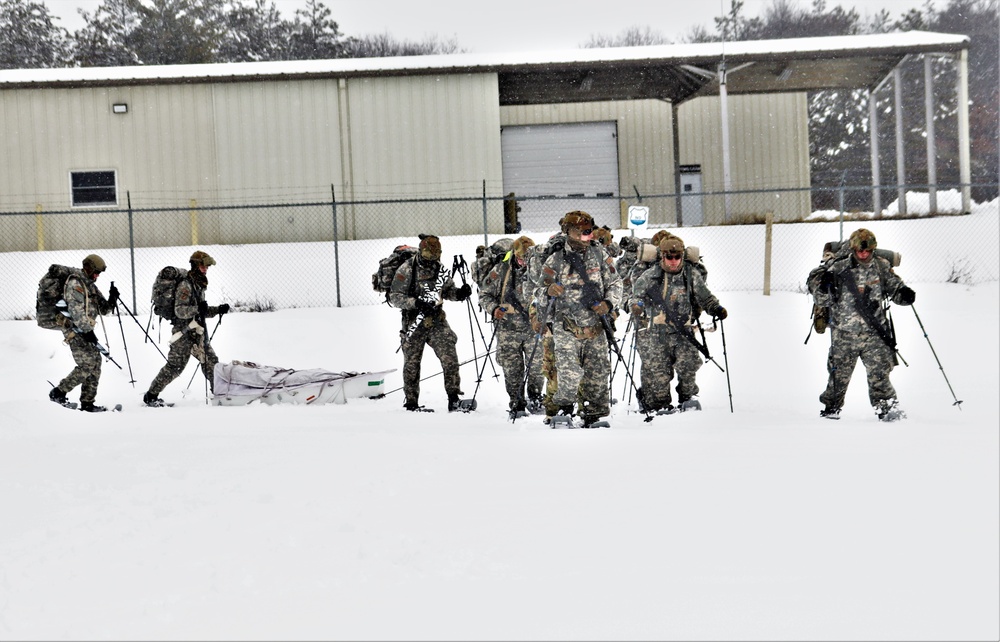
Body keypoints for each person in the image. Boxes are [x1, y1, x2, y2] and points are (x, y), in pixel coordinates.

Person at [807, 228, 916, 421]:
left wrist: (904, 294)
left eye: (867, 251)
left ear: (873, 249)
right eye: (859, 251)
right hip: (844, 334)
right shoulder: (839, 268)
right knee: (837, 376)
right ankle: (831, 409)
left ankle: (887, 409)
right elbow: (821, 298)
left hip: (875, 333)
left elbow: (895, 289)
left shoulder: (881, 266)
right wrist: (824, 285)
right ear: (853, 249)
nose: (863, 255)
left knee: (880, 374)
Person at [538, 211, 623, 426]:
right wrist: (549, 290)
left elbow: (615, 283)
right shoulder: (555, 259)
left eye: (589, 230)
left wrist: (609, 303)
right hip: (567, 326)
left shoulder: (600, 254)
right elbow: (537, 292)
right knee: (568, 374)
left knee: (598, 373)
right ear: (568, 232)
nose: (587, 235)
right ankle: (563, 411)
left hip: (596, 326)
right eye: (582, 231)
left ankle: (593, 415)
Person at [630, 236, 726, 412]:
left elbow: (705, 297)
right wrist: (637, 307)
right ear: (662, 257)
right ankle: (655, 402)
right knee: (658, 376)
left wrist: (716, 309)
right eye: (669, 258)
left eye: (677, 258)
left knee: (689, 364)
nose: (673, 262)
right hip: (655, 334)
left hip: (683, 332)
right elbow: (635, 298)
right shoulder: (649, 277)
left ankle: (687, 397)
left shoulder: (691, 275)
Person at [389, 234, 472, 412]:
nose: (431, 262)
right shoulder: (407, 269)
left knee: (450, 357)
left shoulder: (439, 269)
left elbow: (448, 290)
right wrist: (416, 303)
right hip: (414, 321)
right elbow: (395, 297)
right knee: (412, 363)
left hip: (436, 320)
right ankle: (411, 402)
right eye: (428, 258)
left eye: (435, 258)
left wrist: (459, 294)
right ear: (421, 253)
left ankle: (453, 398)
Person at [143, 251, 229, 406]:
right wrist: (198, 309)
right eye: (203, 265)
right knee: (175, 367)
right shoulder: (186, 285)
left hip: (197, 332)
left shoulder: (199, 283)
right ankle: (151, 396)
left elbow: (201, 311)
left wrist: (217, 310)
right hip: (183, 333)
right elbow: (180, 311)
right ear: (196, 265)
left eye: (207, 266)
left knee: (211, 362)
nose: (206, 269)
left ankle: (220, 394)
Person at [478, 235, 545, 417]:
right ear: (514, 254)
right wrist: (493, 309)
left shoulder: (540, 270)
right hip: (508, 329)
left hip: (534, 327)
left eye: (528, 258)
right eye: (521, 257)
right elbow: (484, 294)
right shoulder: (501, 270)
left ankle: (536, 397)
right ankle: (516, 403)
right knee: (512, 369)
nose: (524, 262)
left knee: (538, 366)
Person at [48, 254, 120, 412]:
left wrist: (112, 299)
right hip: (74, 330)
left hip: (86, 330)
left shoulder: (90, 285)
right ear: (88, 268)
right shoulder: (76, 284)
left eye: (99, 273)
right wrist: (87, 331)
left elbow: (104, 309)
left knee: (95, 364)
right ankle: (58, 393)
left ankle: (88, 403)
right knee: (87, 364)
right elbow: (76, 312)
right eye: (96, 272)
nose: (97, 276)